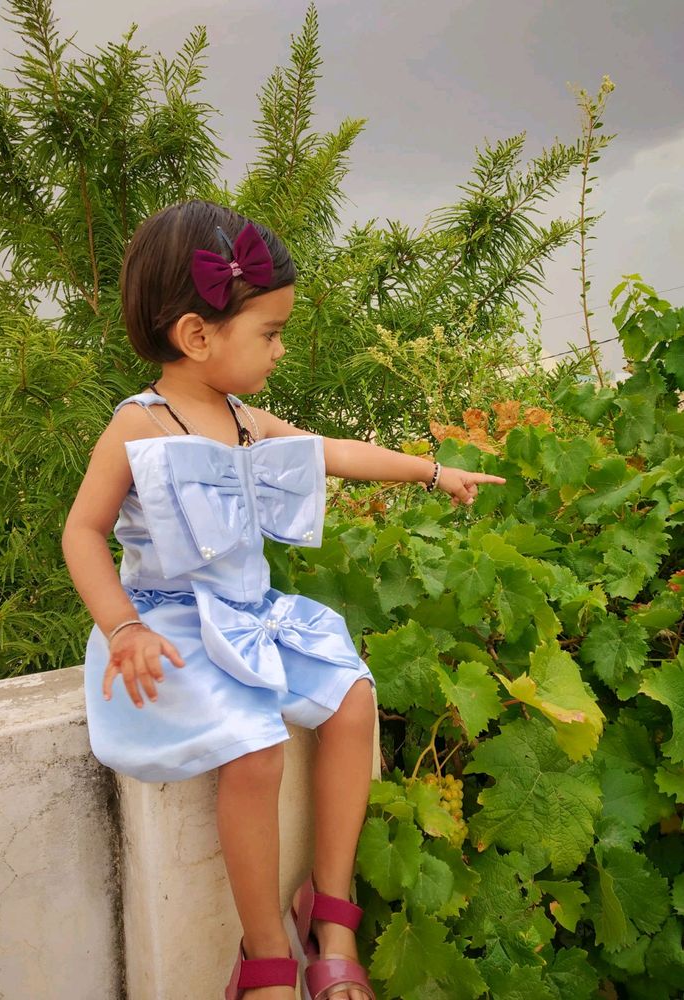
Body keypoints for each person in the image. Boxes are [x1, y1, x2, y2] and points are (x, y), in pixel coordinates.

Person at [62, 200, 506, 1000]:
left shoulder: (240, 418)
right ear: (198, 335)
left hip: (251, 616)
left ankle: (330, 913)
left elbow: (332, 453)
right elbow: (81, 534)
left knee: (350, 693)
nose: (280, 348)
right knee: (254, 746)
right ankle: (265, 952)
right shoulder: (138, 428)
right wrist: (121, 625)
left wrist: (433, 472)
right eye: (268, 332)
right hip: (171, 627)